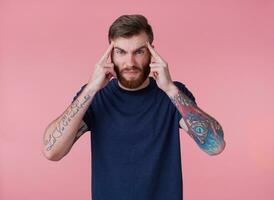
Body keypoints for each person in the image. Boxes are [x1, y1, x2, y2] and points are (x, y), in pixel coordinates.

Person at [43, 14, 226, 200]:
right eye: (121, 52)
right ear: (110, 55)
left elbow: (216, 146)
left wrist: (170, 89)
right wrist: (91, 88)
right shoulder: (94, 96)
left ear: (152, 52)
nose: (130, 62)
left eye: (139, 51)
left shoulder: (173, 95)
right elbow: (52, 151)